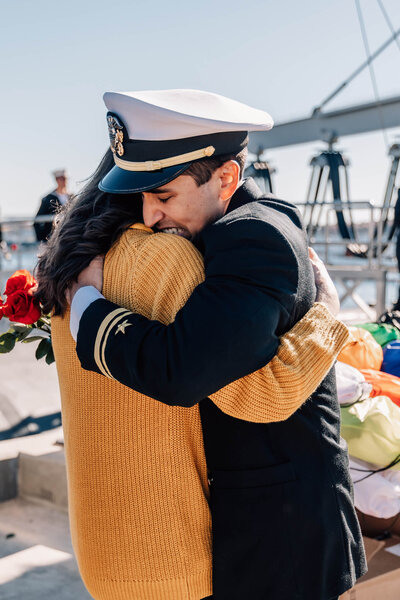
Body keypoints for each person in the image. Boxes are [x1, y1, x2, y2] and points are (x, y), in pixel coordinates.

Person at [40, 89, 366, 599]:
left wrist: (87, 304)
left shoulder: (254, 236)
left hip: (288, 537)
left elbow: (186, 370)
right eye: (141, 196)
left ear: (226, 180)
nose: (148, 216)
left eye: (163, 196)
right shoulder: (204, 238)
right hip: (257, 528)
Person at [34, 168, 71, 242]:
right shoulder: (48, 199)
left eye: (66, 179)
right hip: (53, 240)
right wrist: (43, 240)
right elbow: (37, 221)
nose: (65, 181)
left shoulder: (72, 197)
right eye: (62, 179)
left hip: (70, 236)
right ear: (57, 180)